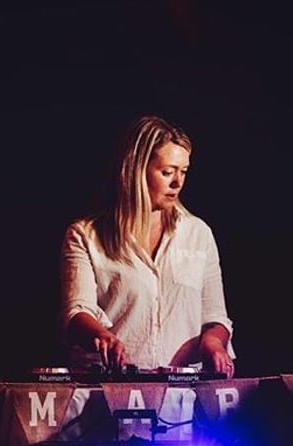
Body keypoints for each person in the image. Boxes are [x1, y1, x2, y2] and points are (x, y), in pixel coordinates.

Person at [60, 115, 236, 378]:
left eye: (183, 171)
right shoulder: (86, 235)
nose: (177, 182)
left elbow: (216, 317)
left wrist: (214, 343)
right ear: (136, 170)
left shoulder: (198, 233)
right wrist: (102, 335)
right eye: (167, 172)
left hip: (182, 392)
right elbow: (76, 311)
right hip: (108, 387)